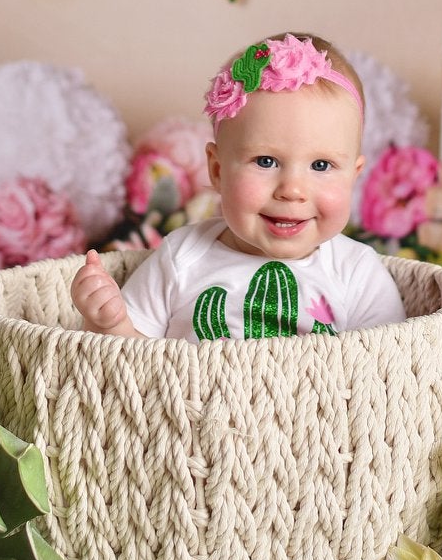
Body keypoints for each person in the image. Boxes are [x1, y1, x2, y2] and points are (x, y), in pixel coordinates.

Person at [71, 32, 407, 340]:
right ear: (217, 171)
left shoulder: (357, 273)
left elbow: (386, 369)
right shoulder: (183, 257)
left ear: (354, 175)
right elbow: (129, 365)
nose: (292, 190)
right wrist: (110, 324)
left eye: (321, 165)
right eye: (266, 161)